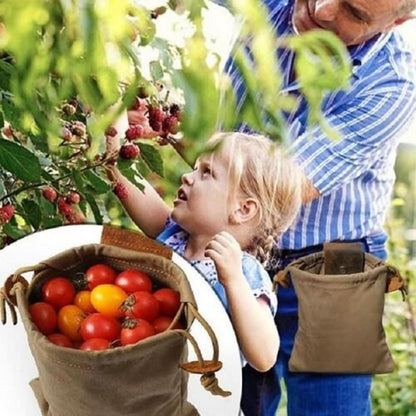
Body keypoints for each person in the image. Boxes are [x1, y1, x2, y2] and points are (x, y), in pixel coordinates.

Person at [213, 0, 416, 415]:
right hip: (243, 243)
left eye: (353, 12)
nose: (322, 9)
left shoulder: (392, 83)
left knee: (330, 408)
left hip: (339, 261)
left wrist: (187, 144)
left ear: (399, 19)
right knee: (231, 400)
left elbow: (279, 187)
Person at [106, 129, 303, 373]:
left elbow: (264, 357)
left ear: (243, 210)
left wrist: (233, 281)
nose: (188, 177)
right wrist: (115, 117)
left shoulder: (241, 270)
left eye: (207, 173)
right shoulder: (174, 235)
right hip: (148, 378)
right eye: (196, 168)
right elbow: (121, 174)